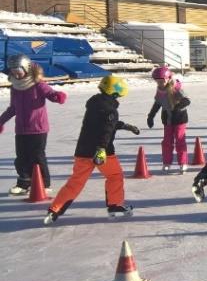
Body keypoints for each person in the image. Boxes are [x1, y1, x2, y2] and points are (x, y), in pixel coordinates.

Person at [43, 75, 140, 224]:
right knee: (115, 176)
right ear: (116, 92)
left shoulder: (95, 104)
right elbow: (106, 130)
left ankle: (54, 210)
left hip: (83, 151)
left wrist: (124, 126)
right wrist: (101, 148)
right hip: (103, 152)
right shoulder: (111, 111)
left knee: (75, 182)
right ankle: (115, 205)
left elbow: (101, 123)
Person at [0, 55, 66, 195]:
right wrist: (1, 121)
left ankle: (45, 183)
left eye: (18, 70)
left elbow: (51, 93)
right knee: (21, 158)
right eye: (12, 71)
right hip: (21, 129)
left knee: (37, 156)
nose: (15, 74)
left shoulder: (38, 84)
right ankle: (24, 183)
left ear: (26, 68)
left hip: (38, 129)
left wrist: (57, 96)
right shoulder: (15, 87)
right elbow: (13, 108)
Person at [147, 66, 191, 174]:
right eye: (157, 82)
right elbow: (157, 103)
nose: (160, 84)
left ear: (168, 78)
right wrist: (151, 116)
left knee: (180, 140)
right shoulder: (160, 90)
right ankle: (167, 162)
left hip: (179, 118)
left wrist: (177, 107)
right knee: (167, 142)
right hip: (167, 118)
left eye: (162, 81)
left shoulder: (176, 87)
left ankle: (183, 163)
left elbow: (187, 100)